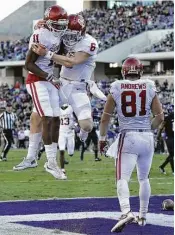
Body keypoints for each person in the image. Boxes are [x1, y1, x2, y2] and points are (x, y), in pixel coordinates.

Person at [99, 57, 164, 232]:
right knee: (144, 178)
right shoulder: (149, 85)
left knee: (122, 178)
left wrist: (102, 139)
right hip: (147, 137)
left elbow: (105, 118)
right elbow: (160, 117)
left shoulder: (117, 86)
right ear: (140, 71)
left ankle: (126, 211)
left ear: (124, 72)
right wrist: (146, 129)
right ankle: (142, 216)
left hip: (128, 136)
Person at [31, 14, 106, 144]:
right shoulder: (62, 34)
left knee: (87, 126)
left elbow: (71, 62)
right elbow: (47, 32)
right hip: (62, 83)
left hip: (78, 88)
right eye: (68, 33)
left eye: (73, 34)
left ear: (82, 31)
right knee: (38, 113)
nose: (69, 38)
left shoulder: (89, 43)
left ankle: (83, 130)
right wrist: (40, 26)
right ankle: (34, 150)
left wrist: (47, 54)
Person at [13, 5, 68, 180]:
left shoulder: (57, 34)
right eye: (57, 23)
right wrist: (48, 76)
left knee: (53, 118)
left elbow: (58, 56)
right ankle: (51, 162)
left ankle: (32, 158)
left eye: (63, 23)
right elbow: (28, 64)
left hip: (50, 79)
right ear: (49, 22)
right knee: (48, 118)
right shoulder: (40, 34)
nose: (61, 27)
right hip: (37, 81)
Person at [58, 104, 75, 176]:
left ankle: (64, 158)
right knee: (61, 150)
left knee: (71, 153)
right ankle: (62, 169)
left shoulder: (72, 108)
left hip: (70, 133)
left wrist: (75, 124)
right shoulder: (57, 109)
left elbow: (78, 117)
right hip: (61, 132)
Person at [158, 109, 174, 174]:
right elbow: (161, 127)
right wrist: (158, 136)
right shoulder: (167, 118)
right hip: (170, 138)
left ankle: (162, 166)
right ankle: (173, 171)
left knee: (171, 155)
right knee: (172, 155)